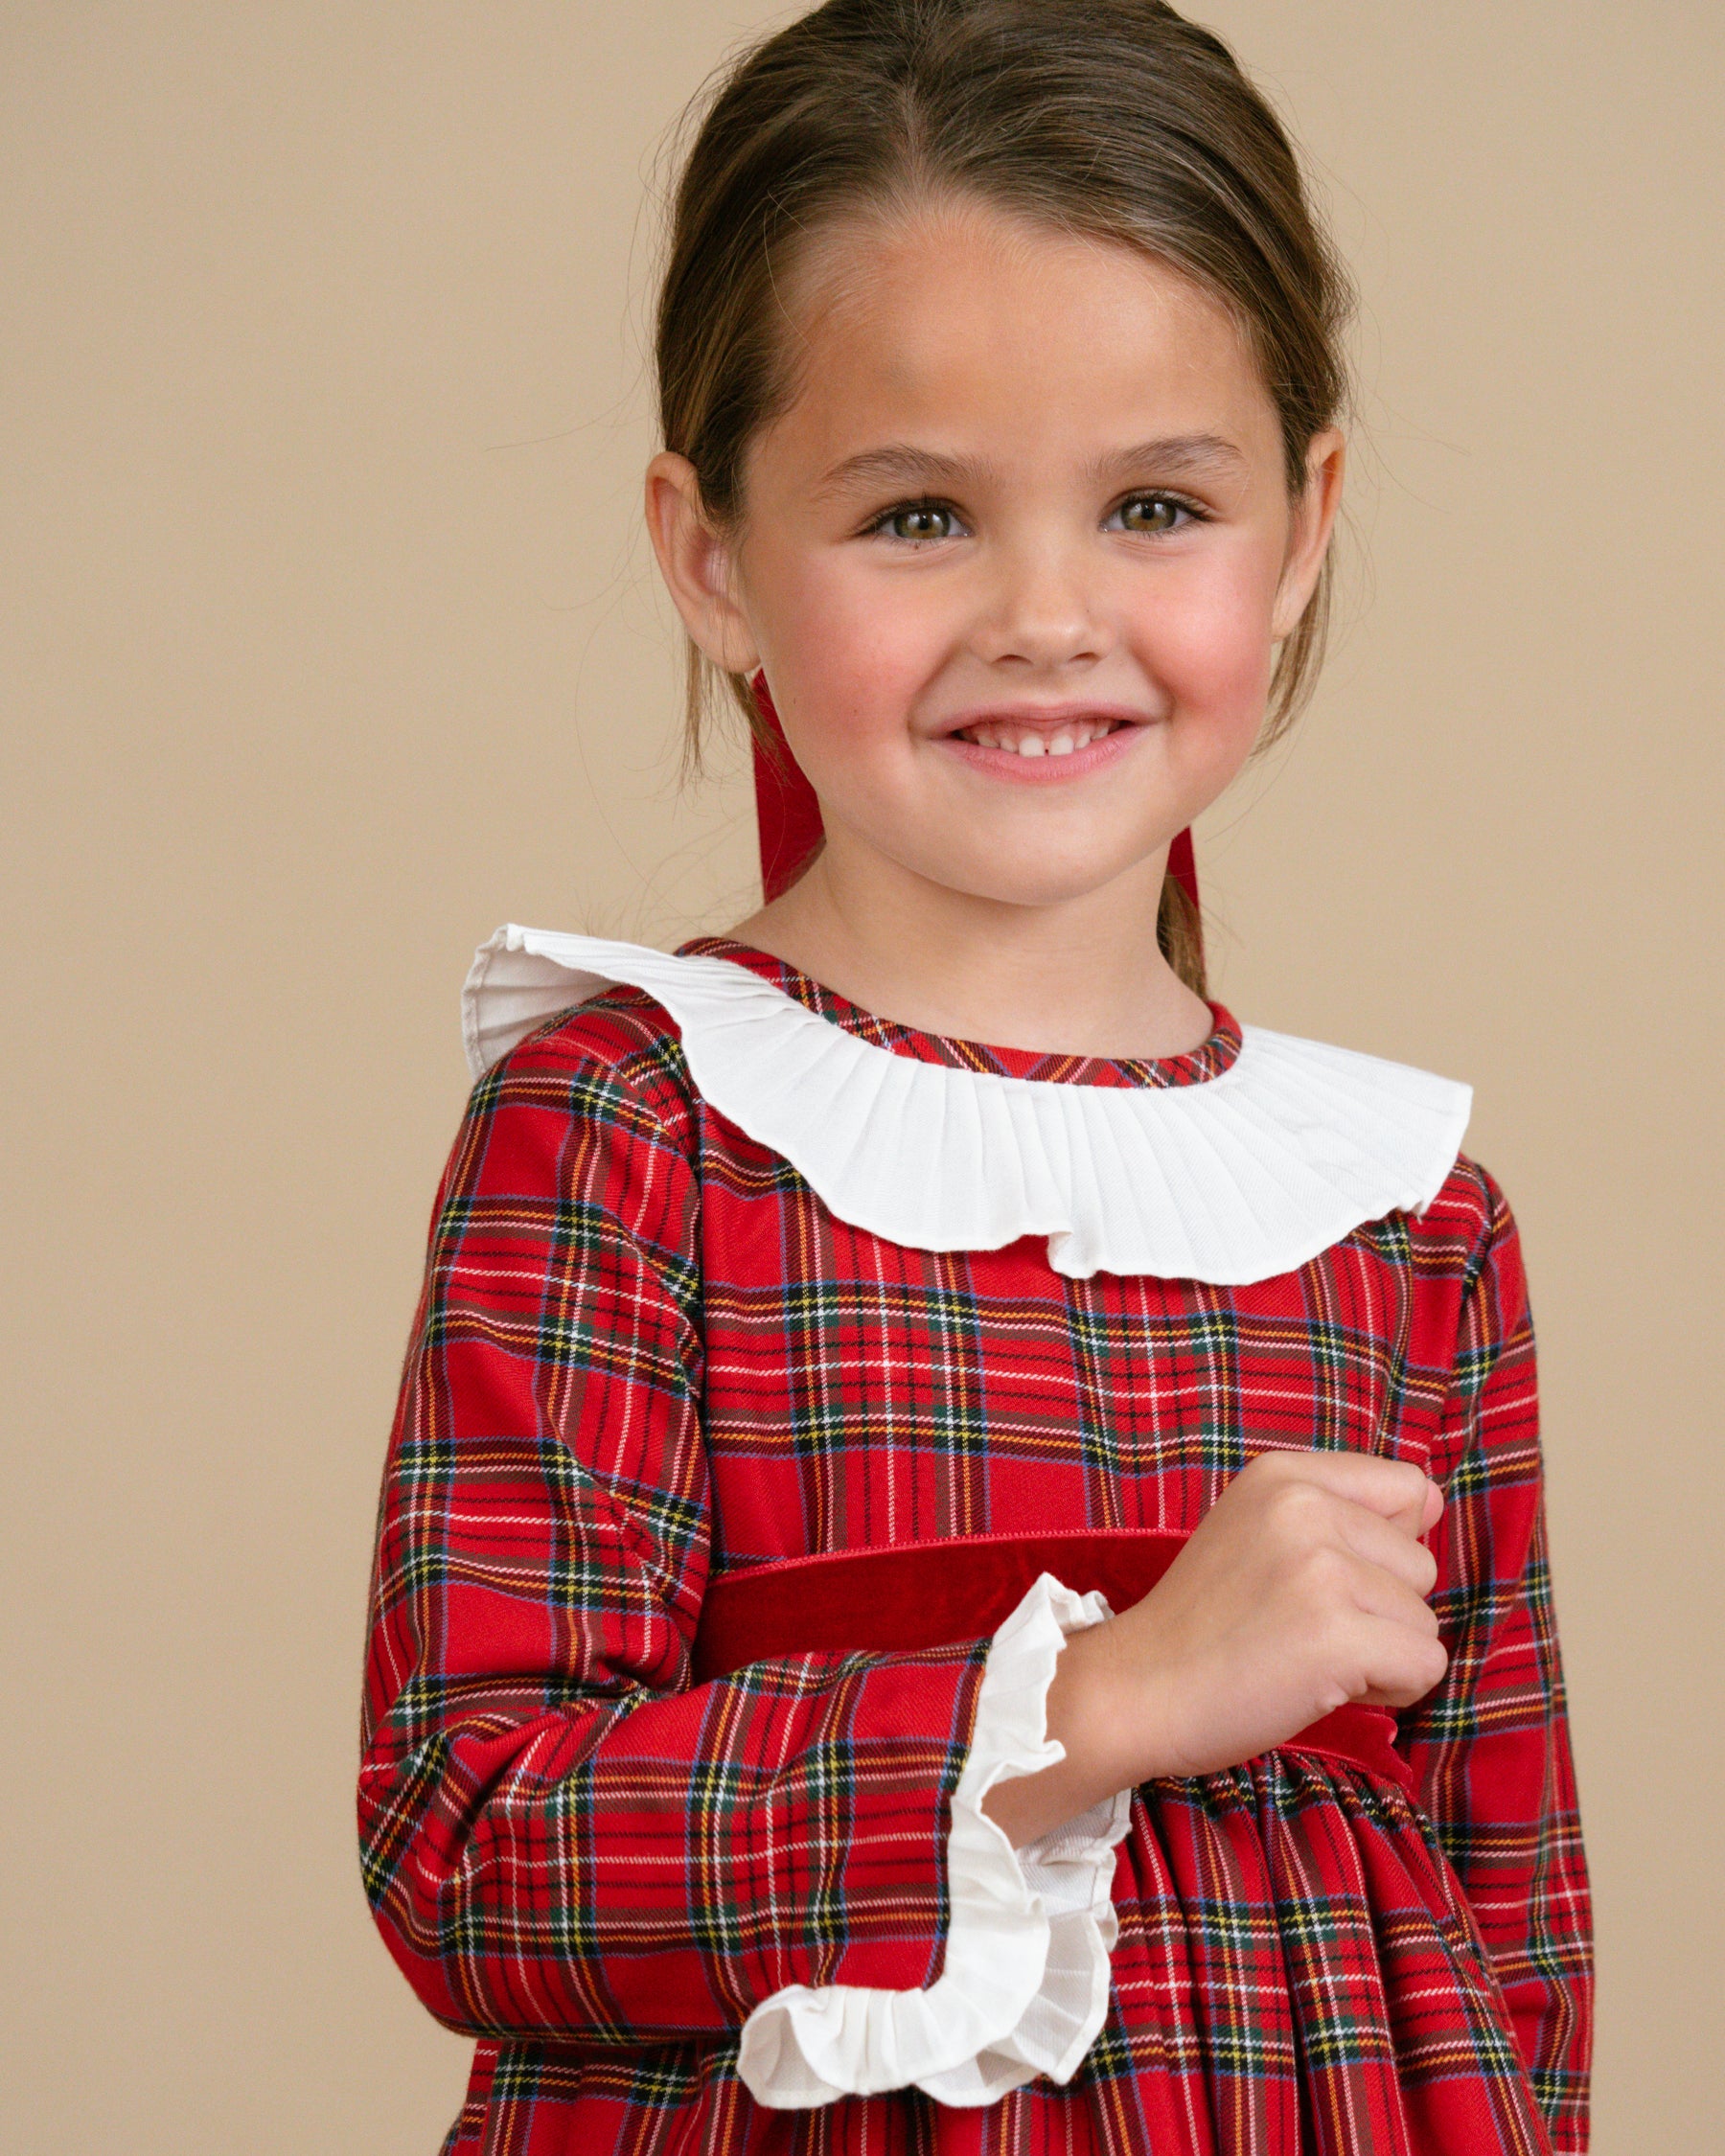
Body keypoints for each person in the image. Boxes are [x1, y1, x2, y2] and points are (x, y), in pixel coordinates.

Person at [358, 3, 1593, 2148]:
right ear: (712, 552)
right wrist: (1102, 1701)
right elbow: (471, 1848)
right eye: (919, 516)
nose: (1046, 612)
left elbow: (1519, 1945)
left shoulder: (1415, 1223)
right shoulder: (635, 1133)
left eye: (1151, 503)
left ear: (1298, 529)